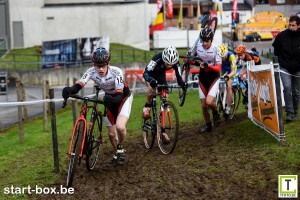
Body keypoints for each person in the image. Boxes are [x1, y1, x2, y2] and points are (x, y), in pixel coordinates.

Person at [62, 47, 133, 166]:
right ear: (93, 64)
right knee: (111, 134)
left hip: (123, 98)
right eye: (97, 65)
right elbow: (79, 85)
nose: (100, 69)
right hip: (110, 99)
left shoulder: (116, 71)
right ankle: (117, 153)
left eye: (103, 65)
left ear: (108, 64)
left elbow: (119, 94)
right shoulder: (91, 71)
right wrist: (69, 90)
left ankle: (120, 146)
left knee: (120, 127)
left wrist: (111, 100)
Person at [142, 46, 186, 143]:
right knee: (152, 88)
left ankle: (163, 131)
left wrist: (182, 84)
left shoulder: (175, 62)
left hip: (161, 76)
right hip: (150, 75)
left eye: (171, 64)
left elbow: (178, 77)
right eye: (167, 63)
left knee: (165, 96)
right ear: (163, 59)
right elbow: (145, 73)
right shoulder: (157, 58)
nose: (169, 66)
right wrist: (151, 80)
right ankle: (147, 107)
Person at [184, 27, 221, 133]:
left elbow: (218, 68)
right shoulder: (198, 46)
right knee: (204, 105)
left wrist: (208, 66)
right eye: (203, 40)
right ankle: (208, 125)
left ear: (211, 40)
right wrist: (188, 59)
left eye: (207, 41)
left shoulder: (215, 49)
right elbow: (190, 58)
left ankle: (215, 112)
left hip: (213, 76)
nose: (204, 43)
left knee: (209, 102)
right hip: (202, 77)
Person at [272, 15, 300, 123]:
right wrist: (280, 60)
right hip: (285, 67)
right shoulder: (282, 36)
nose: (291, 27)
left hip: (298, 68)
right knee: (287, 88)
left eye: (293, 25)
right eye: (290, 25)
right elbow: (275, 49)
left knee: (296, 91)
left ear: (298, 26)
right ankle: (290, 113)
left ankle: (295, 111)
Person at [218, 44, 237, 115]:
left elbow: (234, 71)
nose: (222, 59)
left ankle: (228, 108)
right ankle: (221, 97)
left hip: (231, 71)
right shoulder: (218, 56)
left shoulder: (231, 56)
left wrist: (228, 76)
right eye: (221, 57)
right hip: (223, 69)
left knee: (228, 86)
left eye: (223, 57)